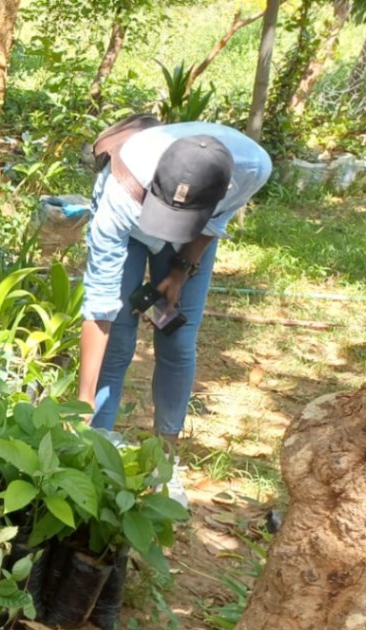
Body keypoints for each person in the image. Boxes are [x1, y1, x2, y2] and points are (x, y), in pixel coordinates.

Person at [77, 120, 272, 468]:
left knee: (178, 339)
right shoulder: (122, 188)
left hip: (193, 236)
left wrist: (181, 271)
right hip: (132, 218)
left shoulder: (252, 168)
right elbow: (100, 302)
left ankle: (165, 459)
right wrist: (82, 401)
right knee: (118, 338)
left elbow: (216, 221)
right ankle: (93, 447)